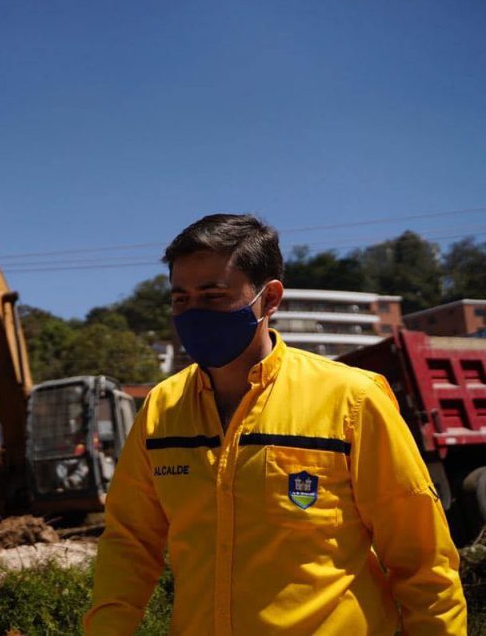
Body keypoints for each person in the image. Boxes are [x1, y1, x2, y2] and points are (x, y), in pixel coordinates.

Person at [84, 214, 466, 635]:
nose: (193, 312)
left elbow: (423, 561)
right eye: (181, 299)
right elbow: (129, 544)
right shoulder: (161, 409)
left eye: (212, 296)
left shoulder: (351, 400)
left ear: (269, 299)